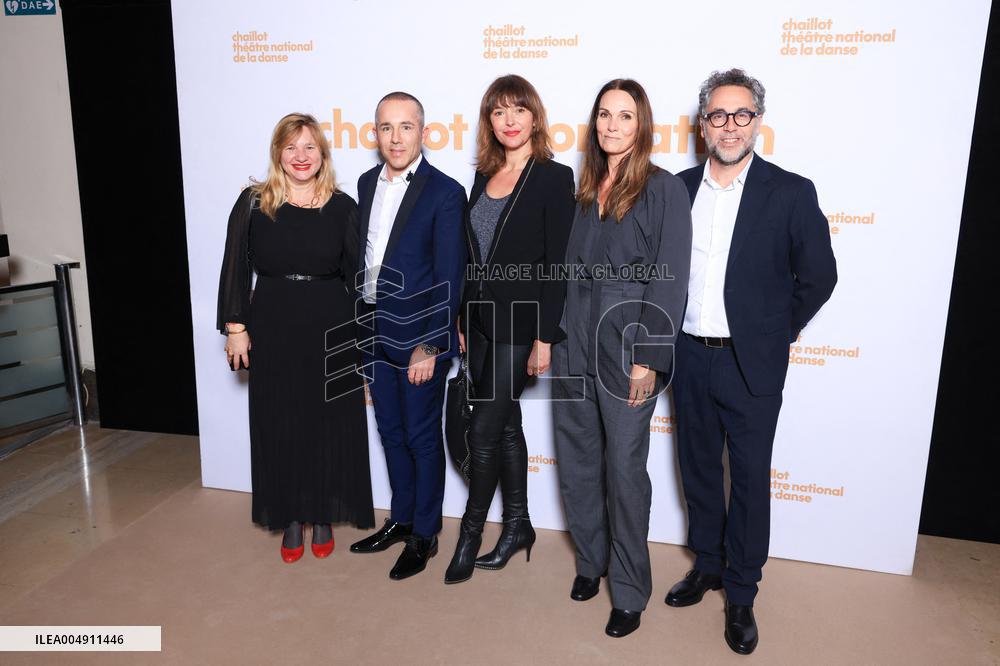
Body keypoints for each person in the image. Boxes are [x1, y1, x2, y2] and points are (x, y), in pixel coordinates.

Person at [665, 69, 837, 655]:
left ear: (757, 121)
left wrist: (772, 332)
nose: (730, 126)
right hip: (688, 355)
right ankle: (708, 565)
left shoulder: (789, 191)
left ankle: (742, 592)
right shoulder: (678, 189)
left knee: (750, 482)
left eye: (741, 115)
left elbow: (819, 277)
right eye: (718, 115)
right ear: (703, 124)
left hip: (751, 364)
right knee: (699, 471)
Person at [551, 79, 692, 638]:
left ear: (643, 124)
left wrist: (649, 358)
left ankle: (630, 589)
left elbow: (671, 279)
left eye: (624, 116)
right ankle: (591, 563)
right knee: (579, 456)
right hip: (572, 337)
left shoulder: (663, 190)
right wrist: (551, 335)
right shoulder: (585, 188)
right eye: (604, 115)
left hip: (627, 338)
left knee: (624, 468)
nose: (612, 125)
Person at [217, 112, 374, 563]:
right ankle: (289, 515)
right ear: (277, 154)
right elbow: (234, 268)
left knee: (328, 421)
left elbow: (357, 277)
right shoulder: (253, 202)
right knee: (280, 419)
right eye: (291, 147)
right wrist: (236, 328)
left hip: (331, 322)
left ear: (322, 153)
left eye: (309, 147)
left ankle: (322, 512)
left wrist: (363, 340)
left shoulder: (343, 207)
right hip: (272, 322)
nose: (300, 156)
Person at [443, 75, 576, 584]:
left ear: (535, 116)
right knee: (505, 423)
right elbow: (473, 257)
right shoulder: (484, 174)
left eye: (519, 110)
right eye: (499, 112)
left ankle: (471, 533)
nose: (510, 120)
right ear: (489, 122)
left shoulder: (552, 177)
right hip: (477, 318)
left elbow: (557, 265)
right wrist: (459, 314)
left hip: (521, 324)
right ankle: (519, 523)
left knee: (482, 428)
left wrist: (545, 336)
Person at [348, 92, 467, 580]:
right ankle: (399, 519)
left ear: (423, 131)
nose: (395, 137)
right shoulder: (364, 183)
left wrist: (432, 344)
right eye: (386, 127)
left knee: (421, 438)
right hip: (373, 329)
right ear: (375, 133)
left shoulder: (444, 192)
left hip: (419, 337)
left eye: (405, 127)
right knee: (390, 433)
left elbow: (449, 276)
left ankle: (424, 534)